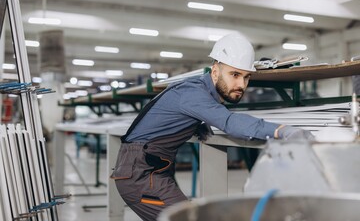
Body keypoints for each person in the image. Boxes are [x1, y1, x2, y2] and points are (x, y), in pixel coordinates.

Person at [110, 33, 314, 221]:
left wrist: (194, 124)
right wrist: (282, 130)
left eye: (246, 77)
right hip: (141, 175)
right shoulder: (193, 94)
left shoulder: (196, 91)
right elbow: (229, 122)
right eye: (234, 75)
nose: (241, 85)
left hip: (151, 168)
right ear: (215, 71)